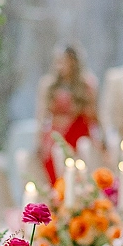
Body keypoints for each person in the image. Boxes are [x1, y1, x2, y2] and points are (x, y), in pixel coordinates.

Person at [36, 46, 101, 185]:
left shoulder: (86, 83)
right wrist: (39, 141)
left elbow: (93, 115)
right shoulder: (49, 85)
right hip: (57, 133)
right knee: (54, 167)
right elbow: (41, 116)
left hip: (78, 131)